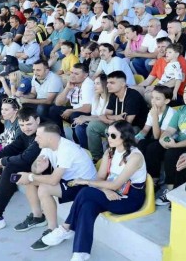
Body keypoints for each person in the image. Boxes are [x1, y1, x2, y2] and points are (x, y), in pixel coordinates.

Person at [40, 121, 148, 261]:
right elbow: (100, 177)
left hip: (129, 199)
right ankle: (81, 253)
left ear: (125, 136)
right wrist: (105, 190)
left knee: (86, 191)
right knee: (88, 206)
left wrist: (86, 182)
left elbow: (115, 184)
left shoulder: (135, 157)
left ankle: (66, 227)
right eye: (107, 134)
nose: (109, 138)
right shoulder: (110, 152)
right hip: (112, 192)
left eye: (113, 135)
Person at [15, 123, 97, 250]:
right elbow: (34, 168)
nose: (36, 139)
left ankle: (52, 229)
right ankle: (37, 217)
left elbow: (53, 180)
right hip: (69, 181)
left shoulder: (66, 149)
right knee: (29, 181)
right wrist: (37, 168)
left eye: (39, 136)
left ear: (50, 138)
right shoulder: (48, 146)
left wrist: (31, 176)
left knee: (43, 187)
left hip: (84, 185)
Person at [86, 71, 148, 161]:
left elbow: (127, 122)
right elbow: (104, 115)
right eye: (107, 83)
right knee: (92, 126)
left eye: (112, 83)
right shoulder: (114, 95)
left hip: (134, 128)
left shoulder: (133, 96)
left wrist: (110, 119)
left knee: (110, 131)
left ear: (123, 84)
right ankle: (97, 158)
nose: (107, 85)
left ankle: (115, 157)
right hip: (116, 124)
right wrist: (116, 117)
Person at [47, 63, 95, 135]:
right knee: (53, 109)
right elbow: (58, 103)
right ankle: (60, 135)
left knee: (74, 114)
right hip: (76, 110)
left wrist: (71, 110)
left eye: (76, 74)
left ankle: (76, 139)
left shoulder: (88, 84)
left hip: (88, 114)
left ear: (85, 75)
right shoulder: (73, 83)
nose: (72, 76)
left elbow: (88, 108)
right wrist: (67, 88)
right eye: (72, 72)